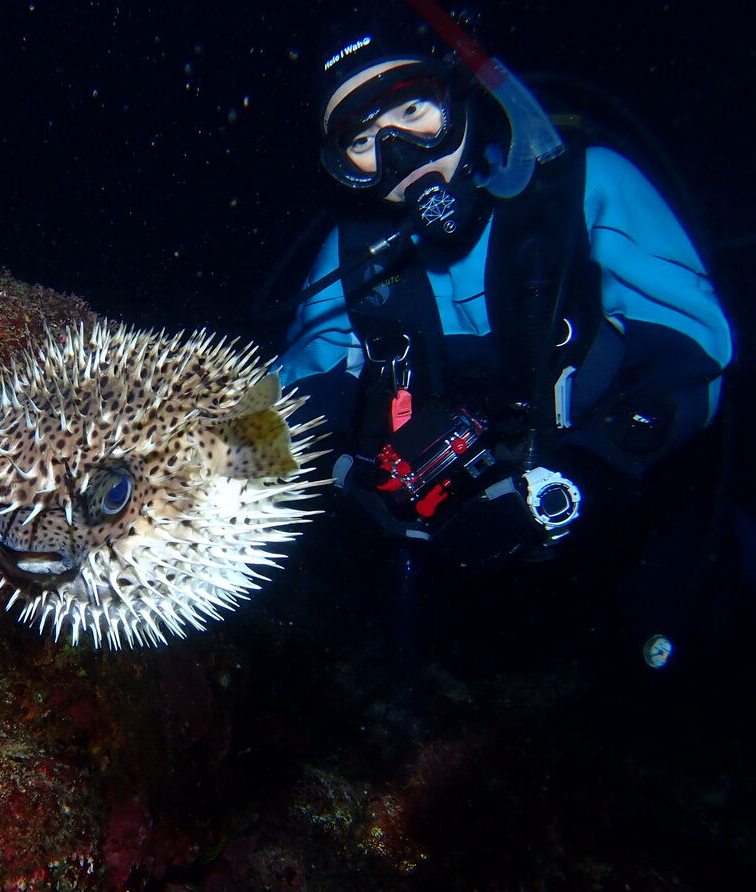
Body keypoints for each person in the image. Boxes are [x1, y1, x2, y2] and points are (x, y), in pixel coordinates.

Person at [277, 1, 734, 663]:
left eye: (413, 109)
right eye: (362, 141)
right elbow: (290, 399)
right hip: (459, 580)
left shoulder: (587, 186)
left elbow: (695, 355)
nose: (399, 153)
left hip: (635, 530)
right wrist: (327, 475)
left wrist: (585, 474)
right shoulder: (351, 258)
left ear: (460, 91)